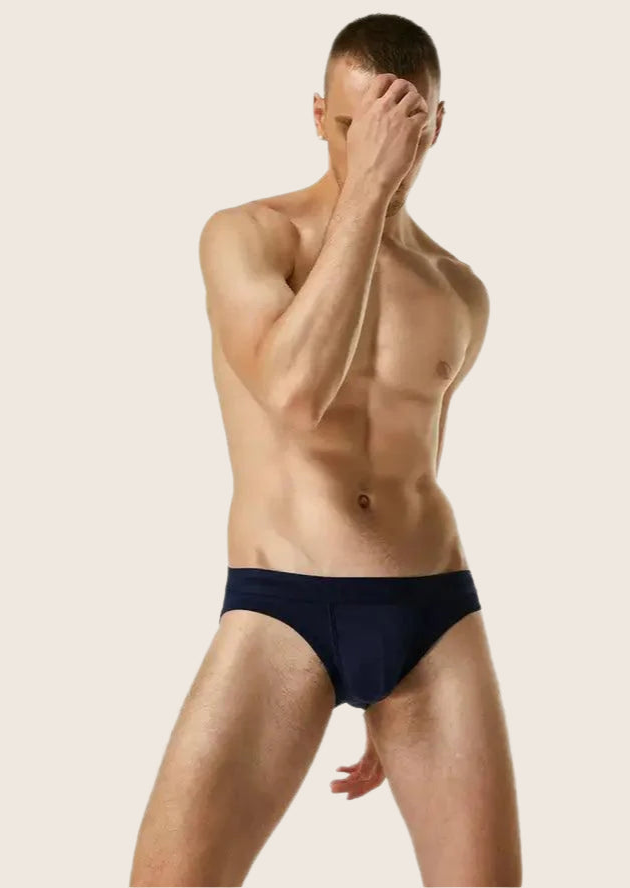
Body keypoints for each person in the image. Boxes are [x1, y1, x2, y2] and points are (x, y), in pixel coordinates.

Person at [130, 13, 521, 886]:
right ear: (317, 117)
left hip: (433, 615)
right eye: (351, 126)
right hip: (283, 606)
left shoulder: (460, 289)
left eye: (398, 129)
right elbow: (295, 393)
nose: (373, 148)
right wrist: (368, 195)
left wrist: (388, 697)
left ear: (435, 125)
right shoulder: (248, 235)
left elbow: (416, 462)